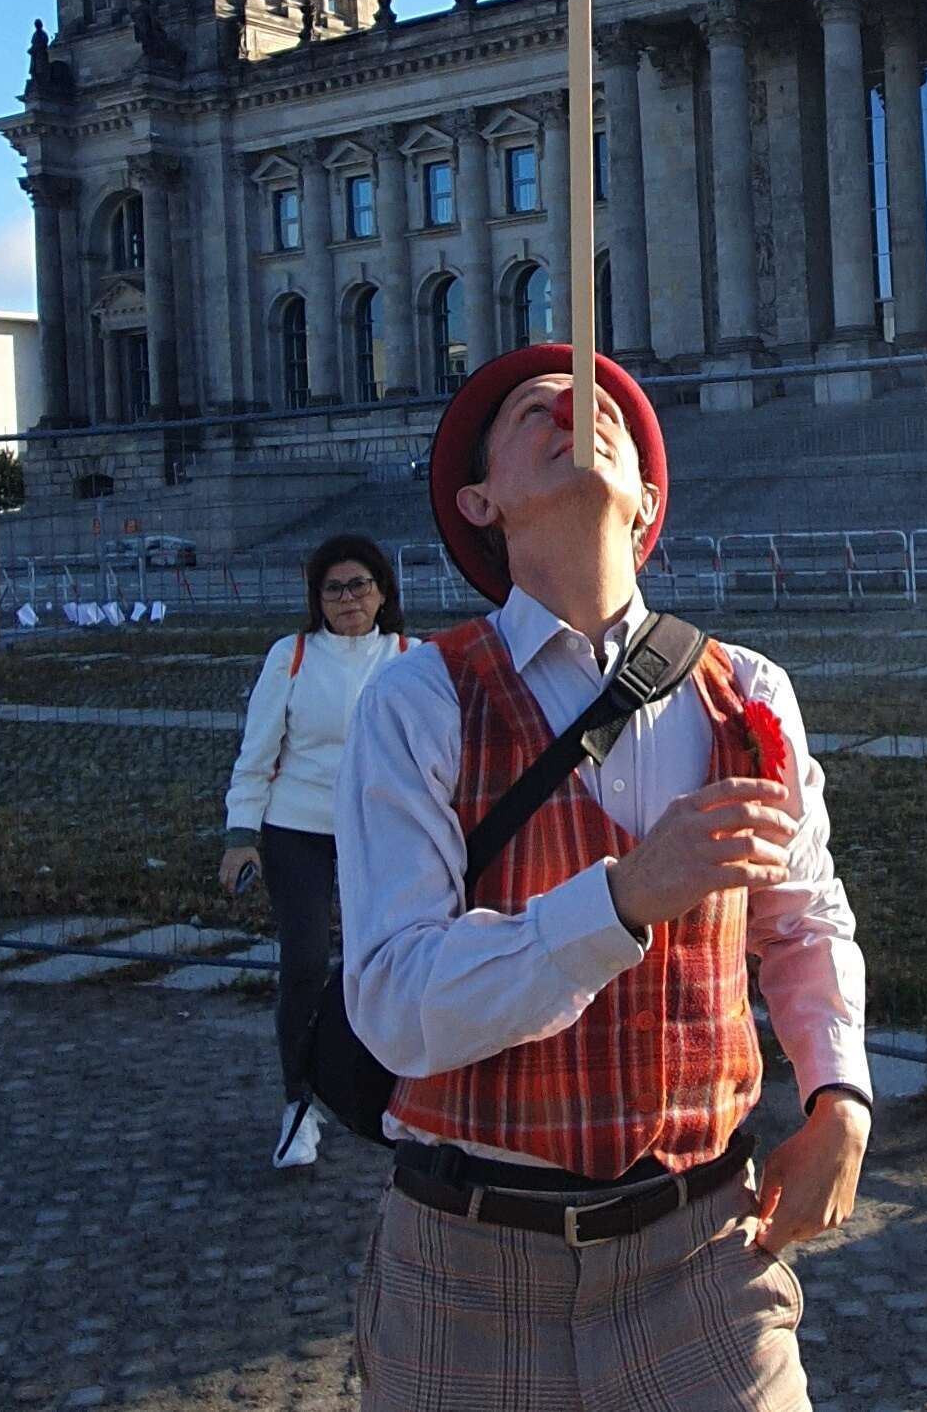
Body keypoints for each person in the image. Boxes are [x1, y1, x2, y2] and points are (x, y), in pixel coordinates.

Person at [335, 342, 870, 1412]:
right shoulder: (415, 703)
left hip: (702, 1259)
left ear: (649, 497)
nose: (573, 407)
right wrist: (620, 898)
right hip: (464, 1267)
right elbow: (391, 999)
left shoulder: (747, 693)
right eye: (533, 405)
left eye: (600, 405)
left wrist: (839, 1091)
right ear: (478, 499)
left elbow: (803, 919)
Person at [220, 533, 408, 1171]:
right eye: (334, 588)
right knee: (303, 965)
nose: (349, 598)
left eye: (360, 585)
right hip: (297, 829)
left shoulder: (412, 657)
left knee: (380, 965)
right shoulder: (292, 657)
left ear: (383, 592)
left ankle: (390, 1092)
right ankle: (297, 1106)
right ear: (317, 600)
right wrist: (241, 836)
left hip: (380, 834)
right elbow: (257, 755)